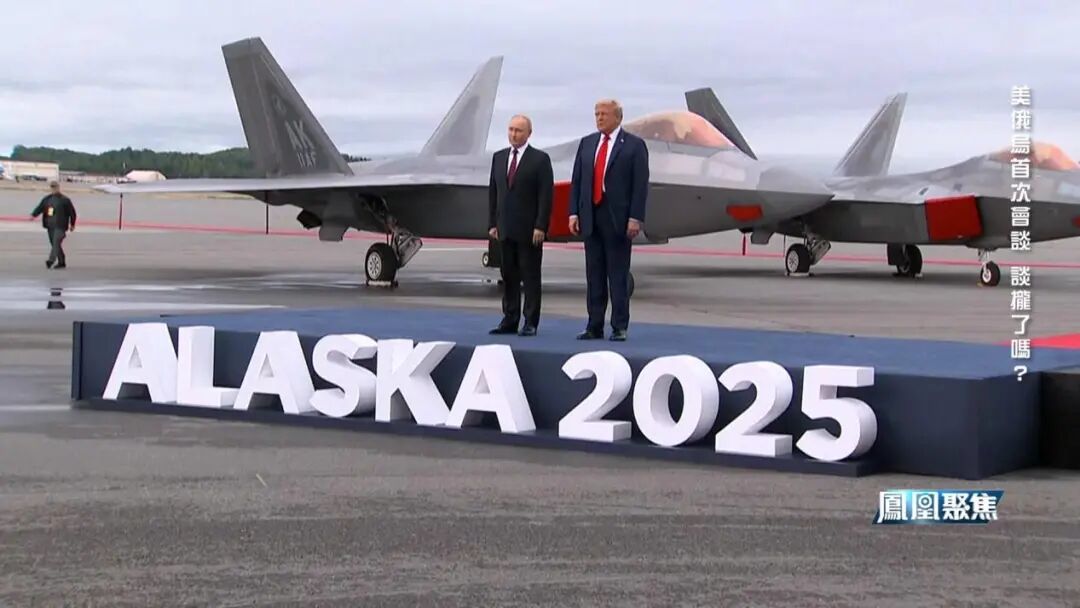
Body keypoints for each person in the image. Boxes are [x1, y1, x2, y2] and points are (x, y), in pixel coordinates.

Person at [568, 98, 649, 341]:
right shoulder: (587, 143)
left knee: (618, 275)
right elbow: (577, 181)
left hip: (618, 219)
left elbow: (640, 186)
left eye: (604, 114)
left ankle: (619, 326)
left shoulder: (634, 146)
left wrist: (635, 217)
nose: (599, 118)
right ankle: (594, 325)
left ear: (618, 117)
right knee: (594, 274)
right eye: (597, 114)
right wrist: (574, 212)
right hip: (591, 216)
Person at [488, 114, 554, 336]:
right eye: (511, 129)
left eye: (518, 130)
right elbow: (494, 192)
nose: (514, 134)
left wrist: (541, 226)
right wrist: (492, 223)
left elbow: (546, 196)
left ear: (529, 133)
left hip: (529, 230)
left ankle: (530, 321)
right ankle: (510, 319)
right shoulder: (499, 158)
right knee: (509, 276)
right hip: (505, 229)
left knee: (530, 276)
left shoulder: (540, 160)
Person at [30, 181, 77, 269]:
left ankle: (50, 260)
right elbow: (40, 207)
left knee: (56, 242)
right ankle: (62, 262)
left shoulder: (65, 200)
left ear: (58, 188)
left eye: (55, 187)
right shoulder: (47, 199)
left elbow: (72, 213)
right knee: (55, 244)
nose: (54, 189)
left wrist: (72, 224)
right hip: (50, 225)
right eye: (52, 187)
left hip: (60, 226)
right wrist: (33, 215)